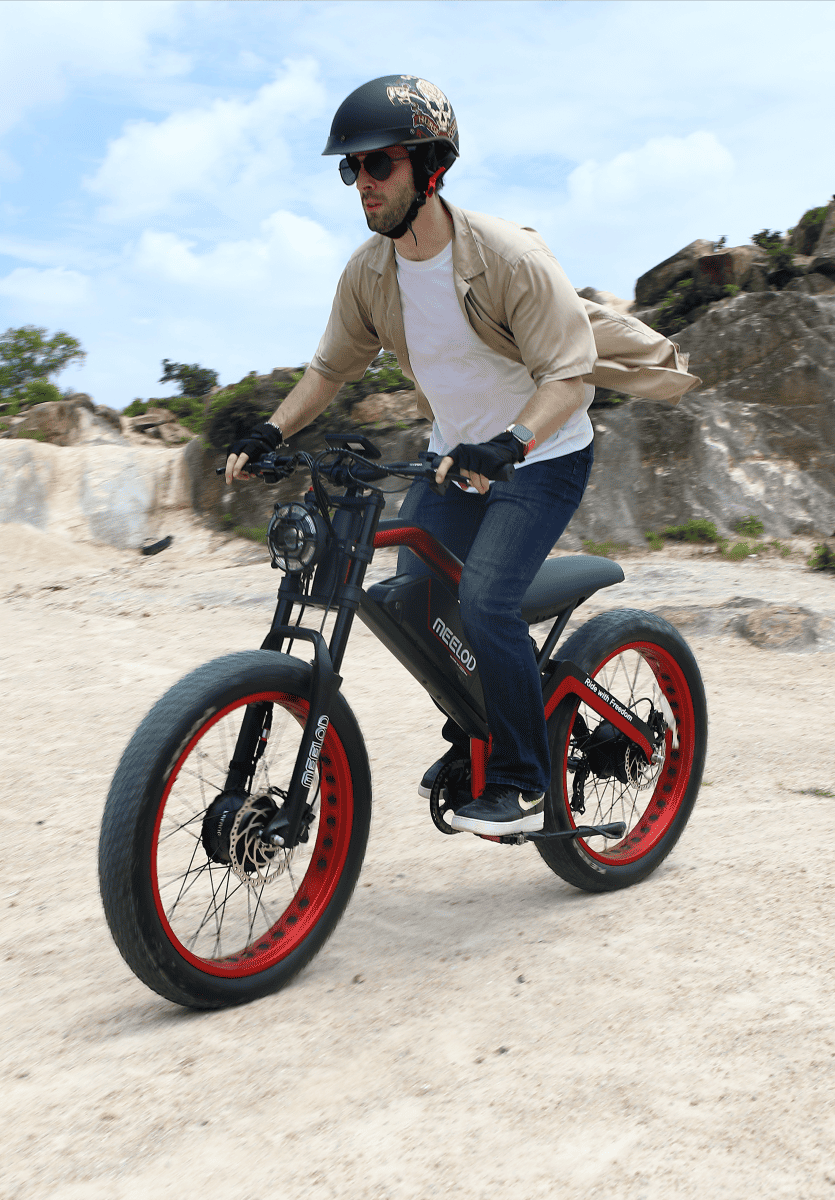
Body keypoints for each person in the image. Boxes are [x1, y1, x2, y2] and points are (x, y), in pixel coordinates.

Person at [224, 74, 601, 838]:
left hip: (543, 456)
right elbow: (330, 370)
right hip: (452, 460)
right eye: (350, 169)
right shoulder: (371, 273)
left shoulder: (507, 259)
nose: (362, 182)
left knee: (489, 601)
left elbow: (570, 376)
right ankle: (476, 732)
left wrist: (511, 442)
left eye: (379, 164)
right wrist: (272, 433)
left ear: (430, 166)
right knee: (415, 604)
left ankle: (526, 777)